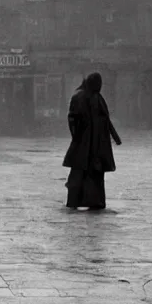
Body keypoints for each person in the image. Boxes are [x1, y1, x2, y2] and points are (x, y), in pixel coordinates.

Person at [63, 72, 122, 210]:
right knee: (83, 174)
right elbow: (73, 119)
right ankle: (82, 201)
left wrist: (114, 136)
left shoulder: (94, 98)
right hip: (88, 144)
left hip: (94, 144)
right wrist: (78, 137)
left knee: (90, 174)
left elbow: (105, 120)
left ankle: (89, 201)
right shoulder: (83, 97)